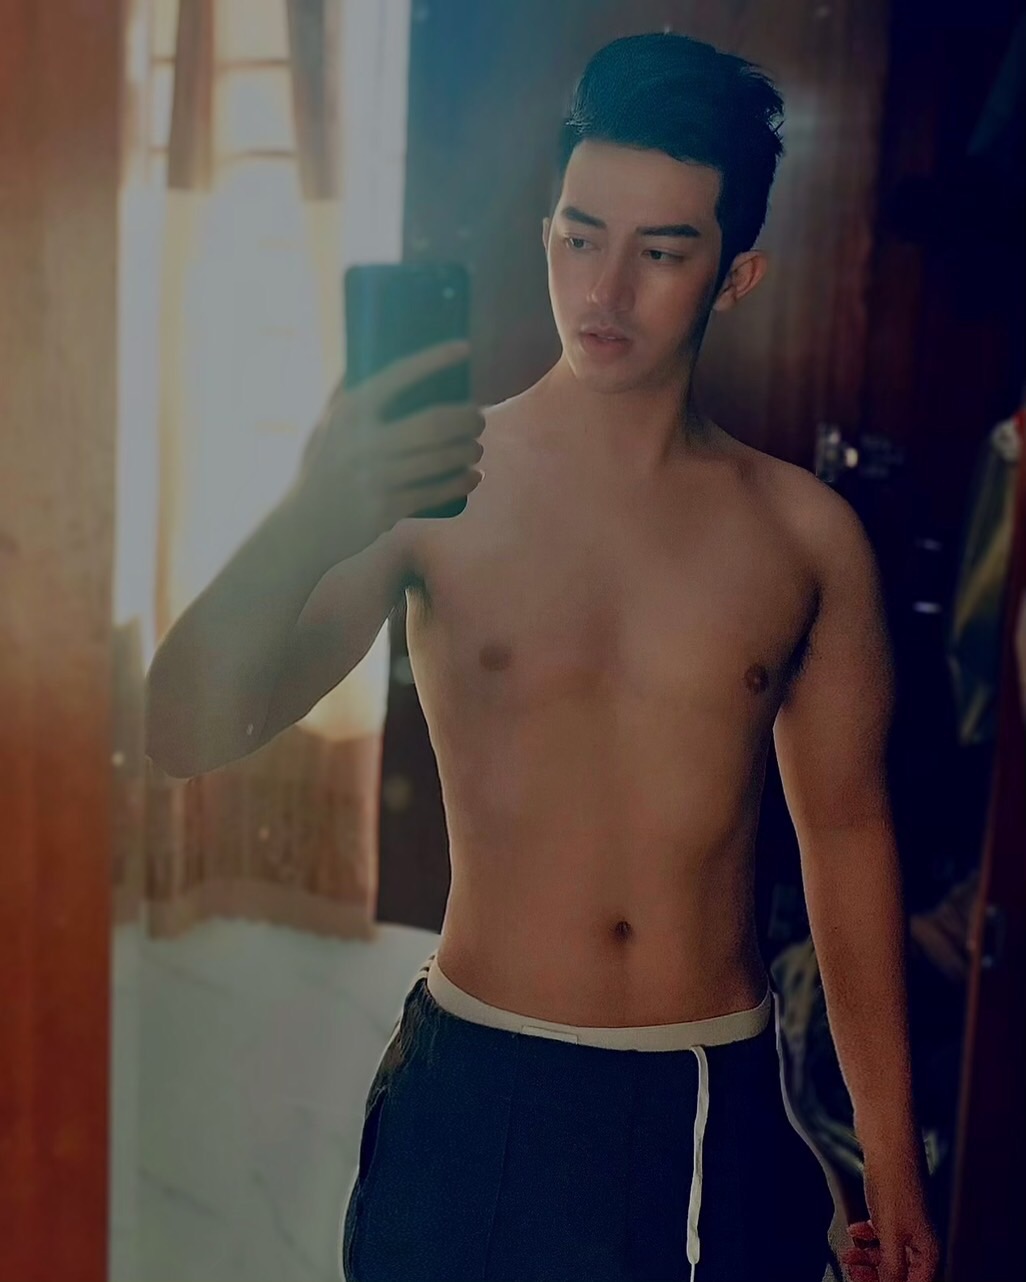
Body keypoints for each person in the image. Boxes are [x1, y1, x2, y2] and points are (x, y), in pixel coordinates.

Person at [146, 31, 939, 1282]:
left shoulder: (804, 536)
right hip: (478, 1078)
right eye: (580, 237)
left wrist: (893, 1158)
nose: (605, 290)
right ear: (546, 233)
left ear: (735, 276)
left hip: (707, 1090)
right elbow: (181, 732)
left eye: (661, 251)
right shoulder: (431, 493)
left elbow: (846, 837)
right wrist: (307, 512)